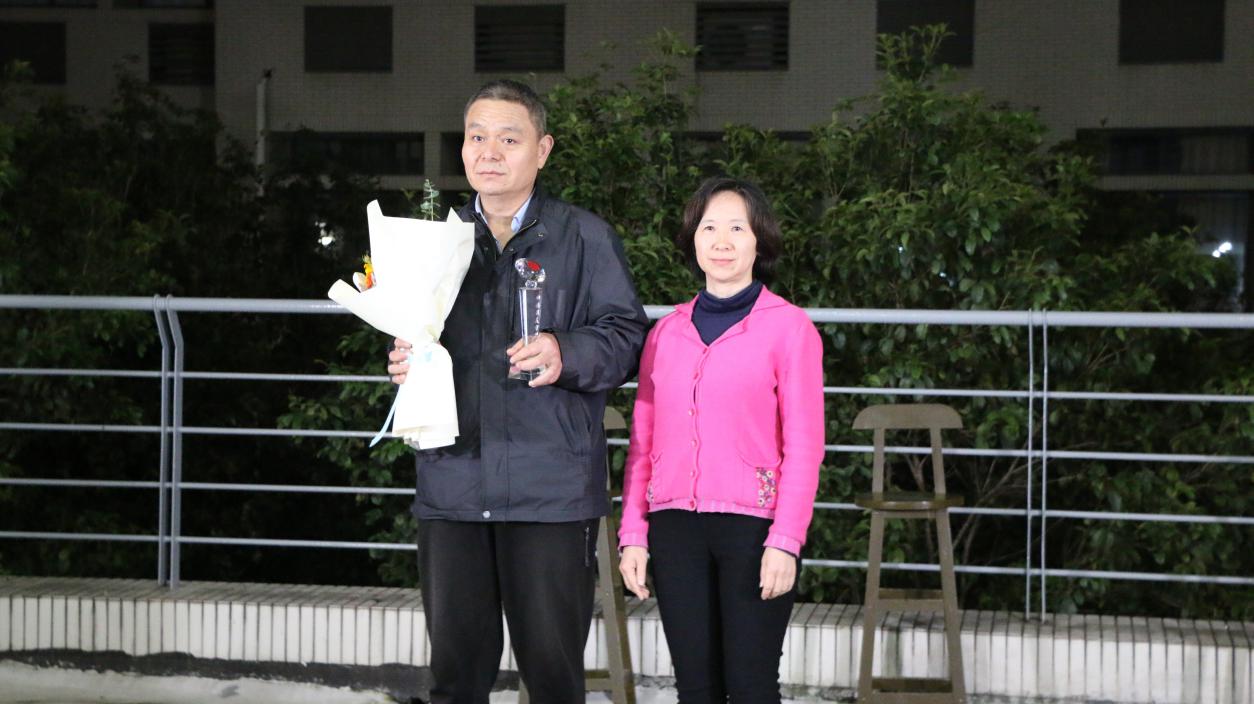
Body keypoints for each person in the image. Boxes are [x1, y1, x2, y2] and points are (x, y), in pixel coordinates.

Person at [386, 79, 648, 704]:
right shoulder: (434, 242)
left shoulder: (584, 238)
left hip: (549, 491)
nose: (489, 152)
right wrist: (401, 360)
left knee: (553, 678)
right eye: (476, 137)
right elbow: (412, 332)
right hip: (453, 483)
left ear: (543, 149)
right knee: (454, 678)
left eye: (509, 138)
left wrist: (566, 351)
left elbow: (627, 337)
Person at [617, 177, 824, 703]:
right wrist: (633, 533)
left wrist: (786, 541)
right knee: (695, 688)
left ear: (760, 241)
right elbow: (643, 443)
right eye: (709, 228)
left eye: (737, 228)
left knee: (751, 687)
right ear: (693, 240)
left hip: (753, 531)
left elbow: (805, 447)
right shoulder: (665, 333)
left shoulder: (790, 329)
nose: (722, 241)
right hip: (674, 528)